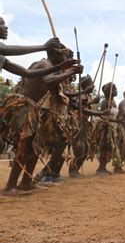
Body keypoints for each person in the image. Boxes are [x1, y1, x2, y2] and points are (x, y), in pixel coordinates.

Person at [1, 43, 82, 195]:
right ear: (57, 54)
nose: (65, 58)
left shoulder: (50, 66)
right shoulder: (45, 63)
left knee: (35, 148)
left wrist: (68, 71)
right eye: (64, 56)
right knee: (25, 148)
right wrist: (68, 70)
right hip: (25, 106)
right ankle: (10, 186)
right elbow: (49, 82)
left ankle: (26, 182)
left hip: (34, 109)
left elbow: (58, 92)